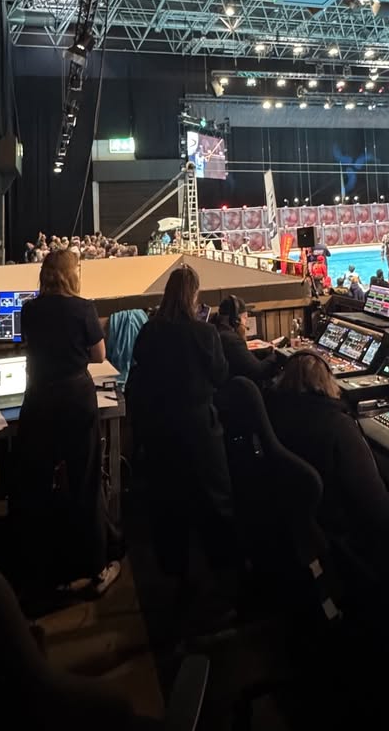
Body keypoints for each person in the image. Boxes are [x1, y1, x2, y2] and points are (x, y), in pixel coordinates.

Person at [14, 250, 120, 600]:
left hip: (38, 401)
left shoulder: (29, 310)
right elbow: (99, 355)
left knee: (38, 486)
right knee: (86, 483)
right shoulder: (83, 308)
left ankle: (44, 573)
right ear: (70, 274)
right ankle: (96, 568)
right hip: (76, 401)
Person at [129, 265, 234, 582]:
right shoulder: (205, 333)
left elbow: (139, 373)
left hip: (159, 430)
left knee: (168, 503)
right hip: (199, 430)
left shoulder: (149, 331)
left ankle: (173, 573)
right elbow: (221, 375)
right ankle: (222, 571)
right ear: (194, 296)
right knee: (215, 501)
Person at [266, 352, 389, 567]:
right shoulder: (338, 426)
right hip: (339, 531)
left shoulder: (270, 409)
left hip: (293, 519)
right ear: (328, 382)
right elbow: (377, 508)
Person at [212, 295, 280, 386]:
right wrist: (276, 355)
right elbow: (259, 371)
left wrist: (264, 352)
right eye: (245, 318)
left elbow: (243, 357)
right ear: (236, 320)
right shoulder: (231, 340)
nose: (245, 324)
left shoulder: (217, 332)